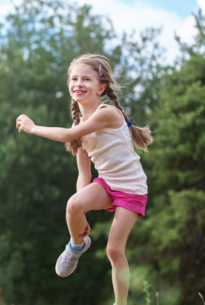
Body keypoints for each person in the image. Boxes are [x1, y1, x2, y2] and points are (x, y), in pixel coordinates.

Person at [16, 54, 153, 305]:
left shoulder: (107, 113)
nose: (79, 83)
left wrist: (34, 128)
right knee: (73, 205)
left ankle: (120, 303)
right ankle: (77, 245)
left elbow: (68, 134)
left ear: (101, 87)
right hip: (107, 184)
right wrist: (82, 215)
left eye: (87, 79)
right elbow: (84, 174)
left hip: (131, 189)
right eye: (74, 78)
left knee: (114, 249)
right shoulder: (79, 121)